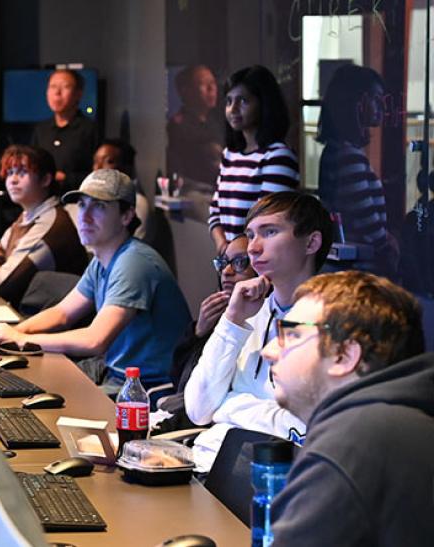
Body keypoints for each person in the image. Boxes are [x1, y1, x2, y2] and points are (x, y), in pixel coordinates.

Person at [0, 169, 191, 393]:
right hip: (115, 375)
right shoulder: (103, 259)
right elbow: (62, 314)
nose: (84, 216)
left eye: (99, 207)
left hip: (144, 392)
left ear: (126, 216)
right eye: (83, 205)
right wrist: (13, 332)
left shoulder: (133, 262)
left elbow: (94, 341)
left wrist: (19, 339)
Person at [262, 270, 432, 546]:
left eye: (291, 335)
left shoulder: (351, 443)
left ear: (343, 356)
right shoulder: (401, 421)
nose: (268, 351)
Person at [185, 192, 331, 472]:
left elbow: (300, 433)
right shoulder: (249, 310)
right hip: (203, 467)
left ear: (311, 242)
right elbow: (199, 409)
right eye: (251, 235)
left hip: (268, 483)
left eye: (270, 232)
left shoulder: (329, 321)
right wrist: (233, 319)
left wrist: (228, 408)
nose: (253, 247)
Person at [152, 234, 257, 431]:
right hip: (190, 415)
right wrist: (198, 333)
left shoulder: (262, 322)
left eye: (240, 263)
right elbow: (179, 381)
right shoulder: (217, 312)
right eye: (224, 263)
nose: (226, 271)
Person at [0, 145, 87, 306]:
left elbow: (4, 283)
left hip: (57, 324)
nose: (13, 180)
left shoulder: (50, 222)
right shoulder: (27, 216)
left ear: (46, 179)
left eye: (22, 173)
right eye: (10, 173)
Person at [317, 64, 398, 278]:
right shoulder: (348, 156)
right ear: (358, 103)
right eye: (376, 98)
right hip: (362, 272)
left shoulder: (339, 149)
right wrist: (389, 245)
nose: (382, 106)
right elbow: (368, 225)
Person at [208, 65, 300, 251]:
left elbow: (266, 222)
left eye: (243, 101)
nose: (233, 109)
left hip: (259, 265)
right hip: (230, 261)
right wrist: (223, 246)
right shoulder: (229, 154)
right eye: (228, 101)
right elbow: (214, 212)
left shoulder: (278, 156)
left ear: (264, 104)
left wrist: (238, 253)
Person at [87, 138, 174, 270]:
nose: (97, 168)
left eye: (108, 161)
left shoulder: (137, 204)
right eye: (95, 162)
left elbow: (125, 258)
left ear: (127, 167)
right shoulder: (91, 200)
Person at [29, 69, 98, 192]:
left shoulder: (89, 129)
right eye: (52, 87)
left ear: (78, 93)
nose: (57, 92)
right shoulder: (41, 129)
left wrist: (67, 179)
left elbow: (99, 174)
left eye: (65, 87)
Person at [166, 64, 224, 184]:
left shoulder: (217, 122)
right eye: (204, 83)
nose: (211, 88)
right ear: (186, 91)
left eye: (213, 82)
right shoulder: (179, 126)